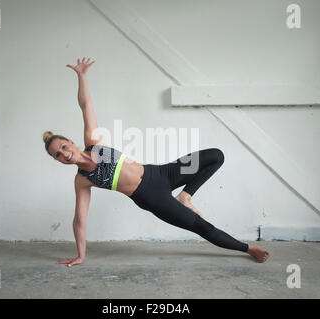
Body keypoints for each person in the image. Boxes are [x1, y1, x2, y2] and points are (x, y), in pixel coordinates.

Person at [44, 57, 270, 267]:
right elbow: (79, 221)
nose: (64, 154)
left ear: (71, 143)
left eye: (63, 147)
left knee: (215, 156)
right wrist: (81, 255)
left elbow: (86, 105)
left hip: (161, 173)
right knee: (201, 226)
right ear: (58, 161)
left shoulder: (93, 143)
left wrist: (81, 76)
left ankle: (186, 195)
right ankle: (248, 248)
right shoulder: (82, 180)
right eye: (57, 155)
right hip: (151, 197)